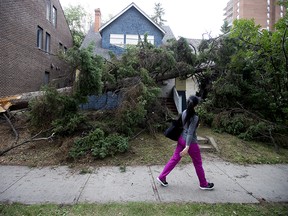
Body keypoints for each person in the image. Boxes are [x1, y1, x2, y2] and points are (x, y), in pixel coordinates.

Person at [157, 95, 214, 190]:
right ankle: (203, 184)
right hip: (190, 143)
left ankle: (162, 177)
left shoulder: (184, 112)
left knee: (174, 158)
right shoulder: (195, 117)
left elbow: (185, 128)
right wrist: (187, 147)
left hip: (181, 139)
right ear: (196, 106)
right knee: (198, 163)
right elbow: (190, 133)